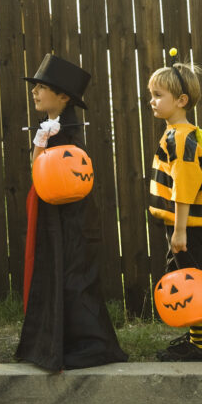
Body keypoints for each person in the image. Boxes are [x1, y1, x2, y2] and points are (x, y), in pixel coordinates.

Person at [15, 53, 127, 371]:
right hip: (54, 215)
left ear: (63, 96)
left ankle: (91, 345)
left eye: (41, 87)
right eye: (34, 87)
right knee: (55, 274)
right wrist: (40, 141)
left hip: (72, 218)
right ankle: (57, 341)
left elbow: (58, 177)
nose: (34, 92)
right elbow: (37, 173)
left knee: (73, 278)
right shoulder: (50, 129)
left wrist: (45, 143)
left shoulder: (69, 134)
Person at [147, 60, 202, 361]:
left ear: (181, 101)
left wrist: (179, 230)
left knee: (188, 279)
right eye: (151, 94)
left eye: (158, 95)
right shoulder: (179, 133)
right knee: (188, 273)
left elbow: (185, 185)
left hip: (187, 224)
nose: (152, 101)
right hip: (187, 223)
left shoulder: (179, 137)